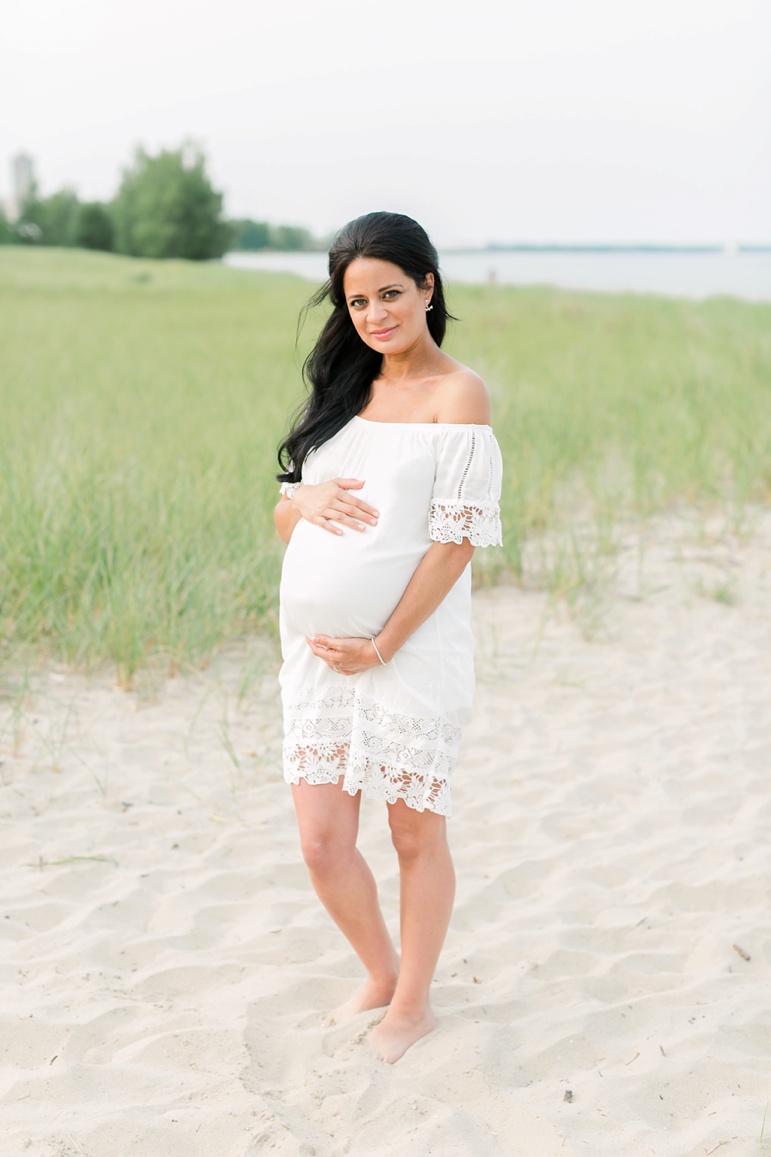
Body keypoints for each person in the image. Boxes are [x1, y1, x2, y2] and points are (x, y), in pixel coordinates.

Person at [273, 211, 503, 1063]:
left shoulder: (457, 394)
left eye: (390, 294)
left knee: (414, 835)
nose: (374, 315)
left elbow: (456, 541)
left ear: (428, 287)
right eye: (358, 300)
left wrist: (383, 643)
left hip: (406, 653)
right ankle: (378, 970)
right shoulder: (344, 394)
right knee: (321, 841)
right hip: (317, 660)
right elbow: (281, 516)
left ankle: (412, 1004)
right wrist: (302, 500)